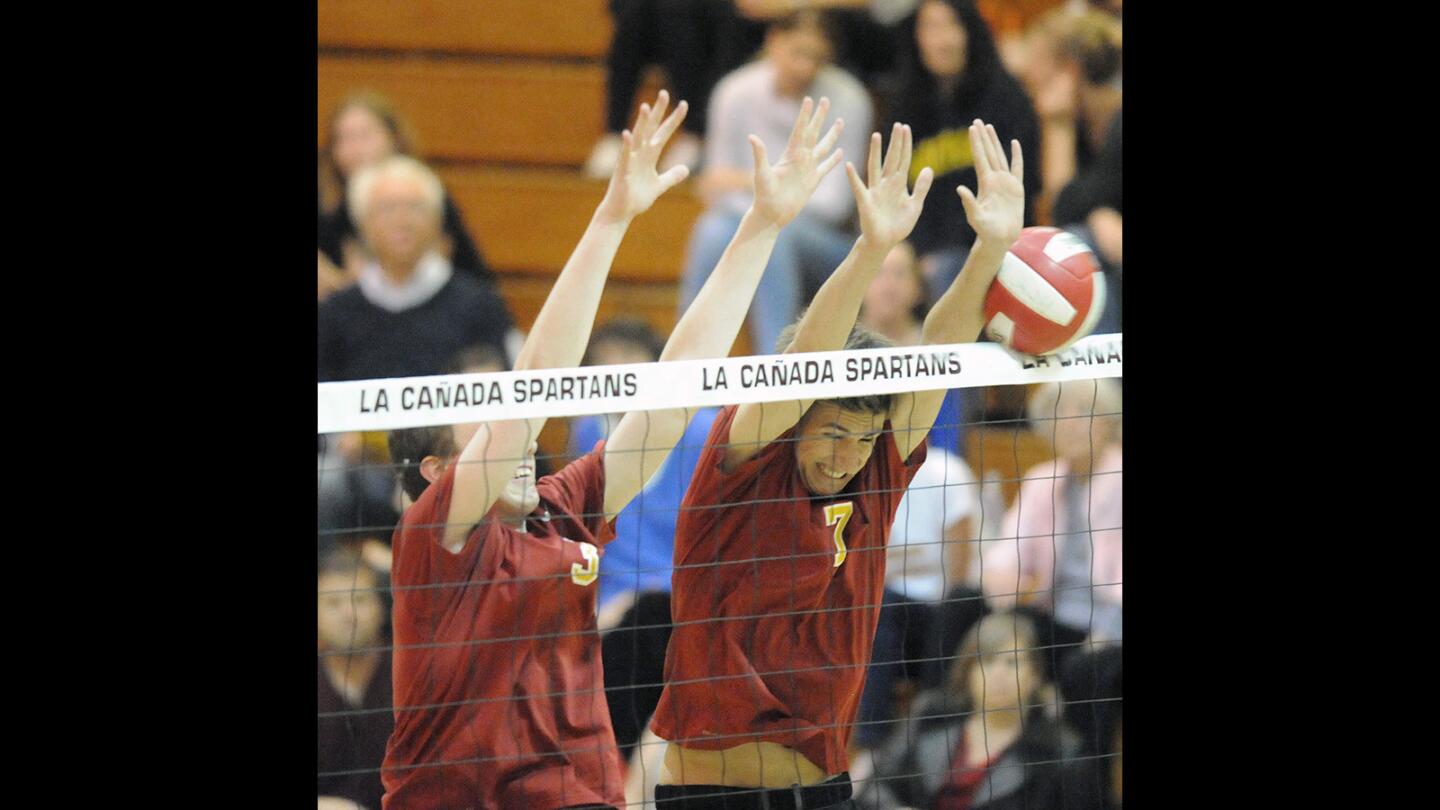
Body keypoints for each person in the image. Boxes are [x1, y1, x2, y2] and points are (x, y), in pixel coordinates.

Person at [380, 92, 849, 809]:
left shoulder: (560, 508)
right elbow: (533, 391)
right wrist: (611, 217)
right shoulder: (432, 543)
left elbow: (673, 393)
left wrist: (761, 225)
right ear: (438, 473)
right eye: (486, 427)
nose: (520, 442)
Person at [651, 119, 1024, 809]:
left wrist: (991, 248)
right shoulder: (746, 465)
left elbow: (940, 350)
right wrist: (873, 246)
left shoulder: (875, 471)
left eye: (861, 439)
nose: (844, 455)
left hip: (825, 792)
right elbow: (801, 372)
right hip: (710, 796)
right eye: (830, 434)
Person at [679, 10, 872, 356]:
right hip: (748, 218)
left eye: (817, 58)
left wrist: (756, 188)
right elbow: (712, 188)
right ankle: (686, 366)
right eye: (798, 53)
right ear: (773, 42)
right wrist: (778, 191)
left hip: (827, 241)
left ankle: (776, 365)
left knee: (773, 234)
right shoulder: (735, 91)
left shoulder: (849, 98)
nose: (806, 67)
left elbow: (834, 204)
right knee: (710, 230)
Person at [853, 611, 1100, 810]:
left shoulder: (1061, 751)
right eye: (987, 662)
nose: (998, 675)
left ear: (1035, 675)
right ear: (968, 671)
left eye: (1012, 662)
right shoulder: (931, 715)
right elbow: (875, 789)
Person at [888, 0, 1041, 305]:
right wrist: (913, 252)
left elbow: (1022, 189)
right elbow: (893, 192)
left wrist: (948, 253)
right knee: (886, 271)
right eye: (930, 27)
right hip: (920, 252)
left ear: (971, 32)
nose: (941, 40)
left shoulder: (1007, 99)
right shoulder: (904, 105)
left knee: (946, 268)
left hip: (994, 246)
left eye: (951, 25)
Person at [316, 154, 517, 383]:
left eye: (415, 207)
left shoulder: (479, 306)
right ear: (363, 222)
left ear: (437, 220)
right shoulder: (335, 313)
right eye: (386, 209)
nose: (401, 220)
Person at [979, 378, 1122, 674]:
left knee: (1083, 669)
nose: (1069, 423)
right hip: (1054, 616)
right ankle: (940, 712)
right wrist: (1000, 575)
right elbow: (1009, 547)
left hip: (1110, 623)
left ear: (1109, 422)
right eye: (1060, 413)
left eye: (1083, 411)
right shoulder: (1042, 480)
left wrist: (1106, 634)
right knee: (963, 603)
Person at [319, 92, 494, 300]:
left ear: (393, 139)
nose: (354, 150)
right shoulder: (329, 208)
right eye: (343, 139)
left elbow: (470, 272)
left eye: (364, 136)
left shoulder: (424, 195)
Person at [318, 550, 394, 810]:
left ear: (382, 608)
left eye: (359, 600)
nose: (348, 615)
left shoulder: (411, 674)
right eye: (332, 603)